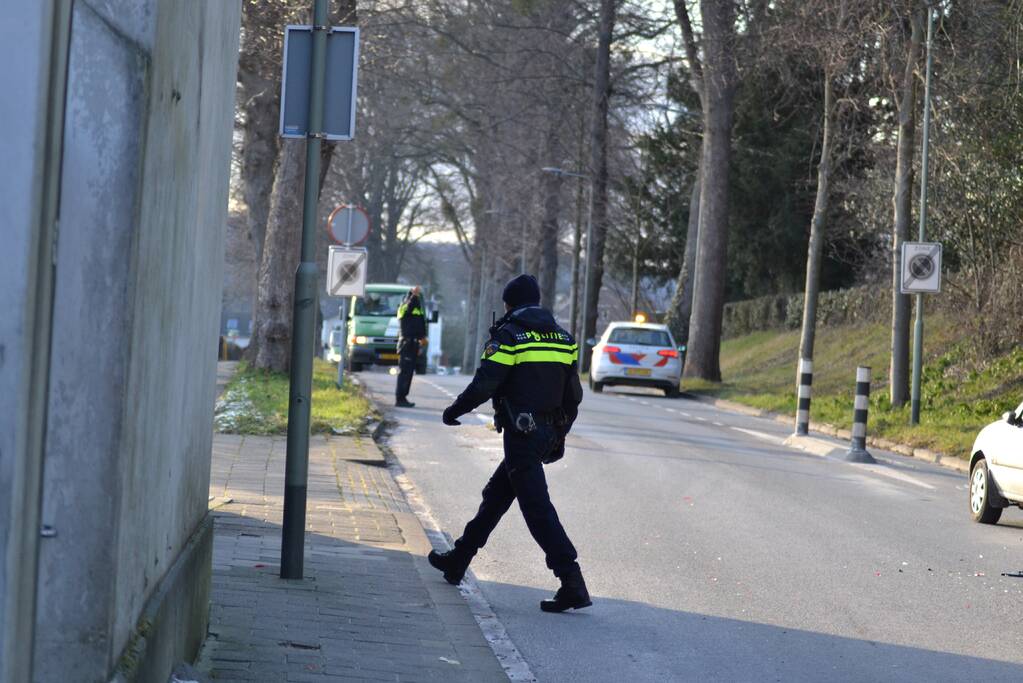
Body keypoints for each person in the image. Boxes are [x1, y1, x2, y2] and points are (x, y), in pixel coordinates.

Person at [429, 274, 590, 613]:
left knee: (537, 508)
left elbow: (485, 383)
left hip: (522, 434)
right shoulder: (564, 338)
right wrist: (560, 434)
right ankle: (459, 559)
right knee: (496, 496)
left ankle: (571, 581)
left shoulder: (510, 336)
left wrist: (454, 411)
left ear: (509, 303)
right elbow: (573, 395)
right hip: (546, 432)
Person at [395, 286, 427, 407]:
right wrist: (413, 295)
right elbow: (409, 308)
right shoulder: (404, 307)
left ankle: (403, 398)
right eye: (415, 297)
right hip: (407, 344)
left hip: (413, 344)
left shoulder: (417, 309)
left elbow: (419, 324)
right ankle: (400, 399)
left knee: (408, 373)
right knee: (404, 373)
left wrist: (422, 337)